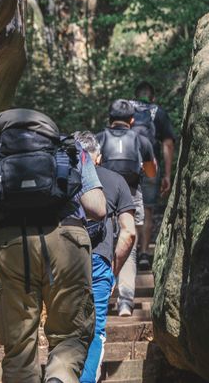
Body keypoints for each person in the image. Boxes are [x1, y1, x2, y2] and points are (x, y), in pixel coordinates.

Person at [0, 109, 106, 383]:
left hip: (11, 246)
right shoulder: (70, 147)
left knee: (19, 346)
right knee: (71, 335)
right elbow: (97, 208)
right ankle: (59, 378)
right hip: (67, 243)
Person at [75, 131, 137, 383]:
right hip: (98, 262)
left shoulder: (59, 178)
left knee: (66, 329)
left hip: (61, 261)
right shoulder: (115, 180)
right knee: (95, 330)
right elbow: (129, 232)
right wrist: (113, 270)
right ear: (97, 157)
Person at [96, 99, 156, 317]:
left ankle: (100, 295)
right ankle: (126, 301)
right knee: (129, 245)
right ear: (132, 120)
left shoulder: (99, 138)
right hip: (131, 195)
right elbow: (151, 173)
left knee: (102, 243)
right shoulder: (141, 140)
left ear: (109, 119)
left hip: (103, 195)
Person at [130, 81, 177, 271]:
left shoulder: (126, 110)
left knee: (130, 208)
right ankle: (143, 253)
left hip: (128, 165)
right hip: (151, 165)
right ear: (153, 97)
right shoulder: (158, 112)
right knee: (147, 209)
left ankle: (130, 253)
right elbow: (167, 144)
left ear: (135, 96)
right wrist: (167, 174)